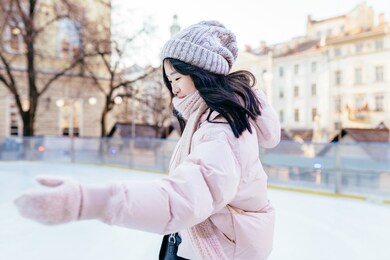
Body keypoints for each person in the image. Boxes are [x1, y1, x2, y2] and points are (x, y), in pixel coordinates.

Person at [14, 20, 281, 260]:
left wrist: (88, 201)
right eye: (169, 80)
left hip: (218, 252)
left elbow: (184, 198)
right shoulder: (206, 118)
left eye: (177, 77)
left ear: (201, 73)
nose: (173, 88)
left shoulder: (221, 129)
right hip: (197, 243)